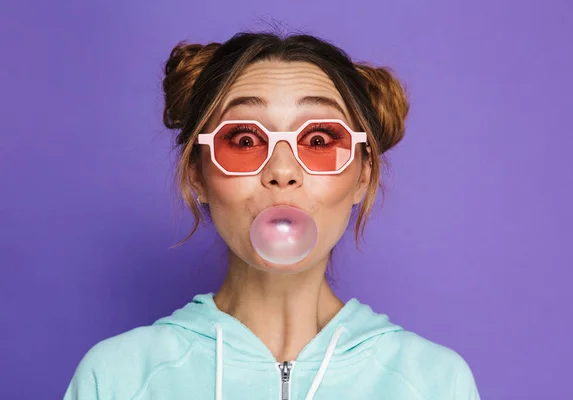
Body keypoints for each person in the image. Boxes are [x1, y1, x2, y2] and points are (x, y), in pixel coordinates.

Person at [64, 31, 480, 400]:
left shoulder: (433, 382)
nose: (282, 171)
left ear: (362, 175)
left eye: (318, 139)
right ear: (198, 175)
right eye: (244, 139)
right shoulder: (118, 378)